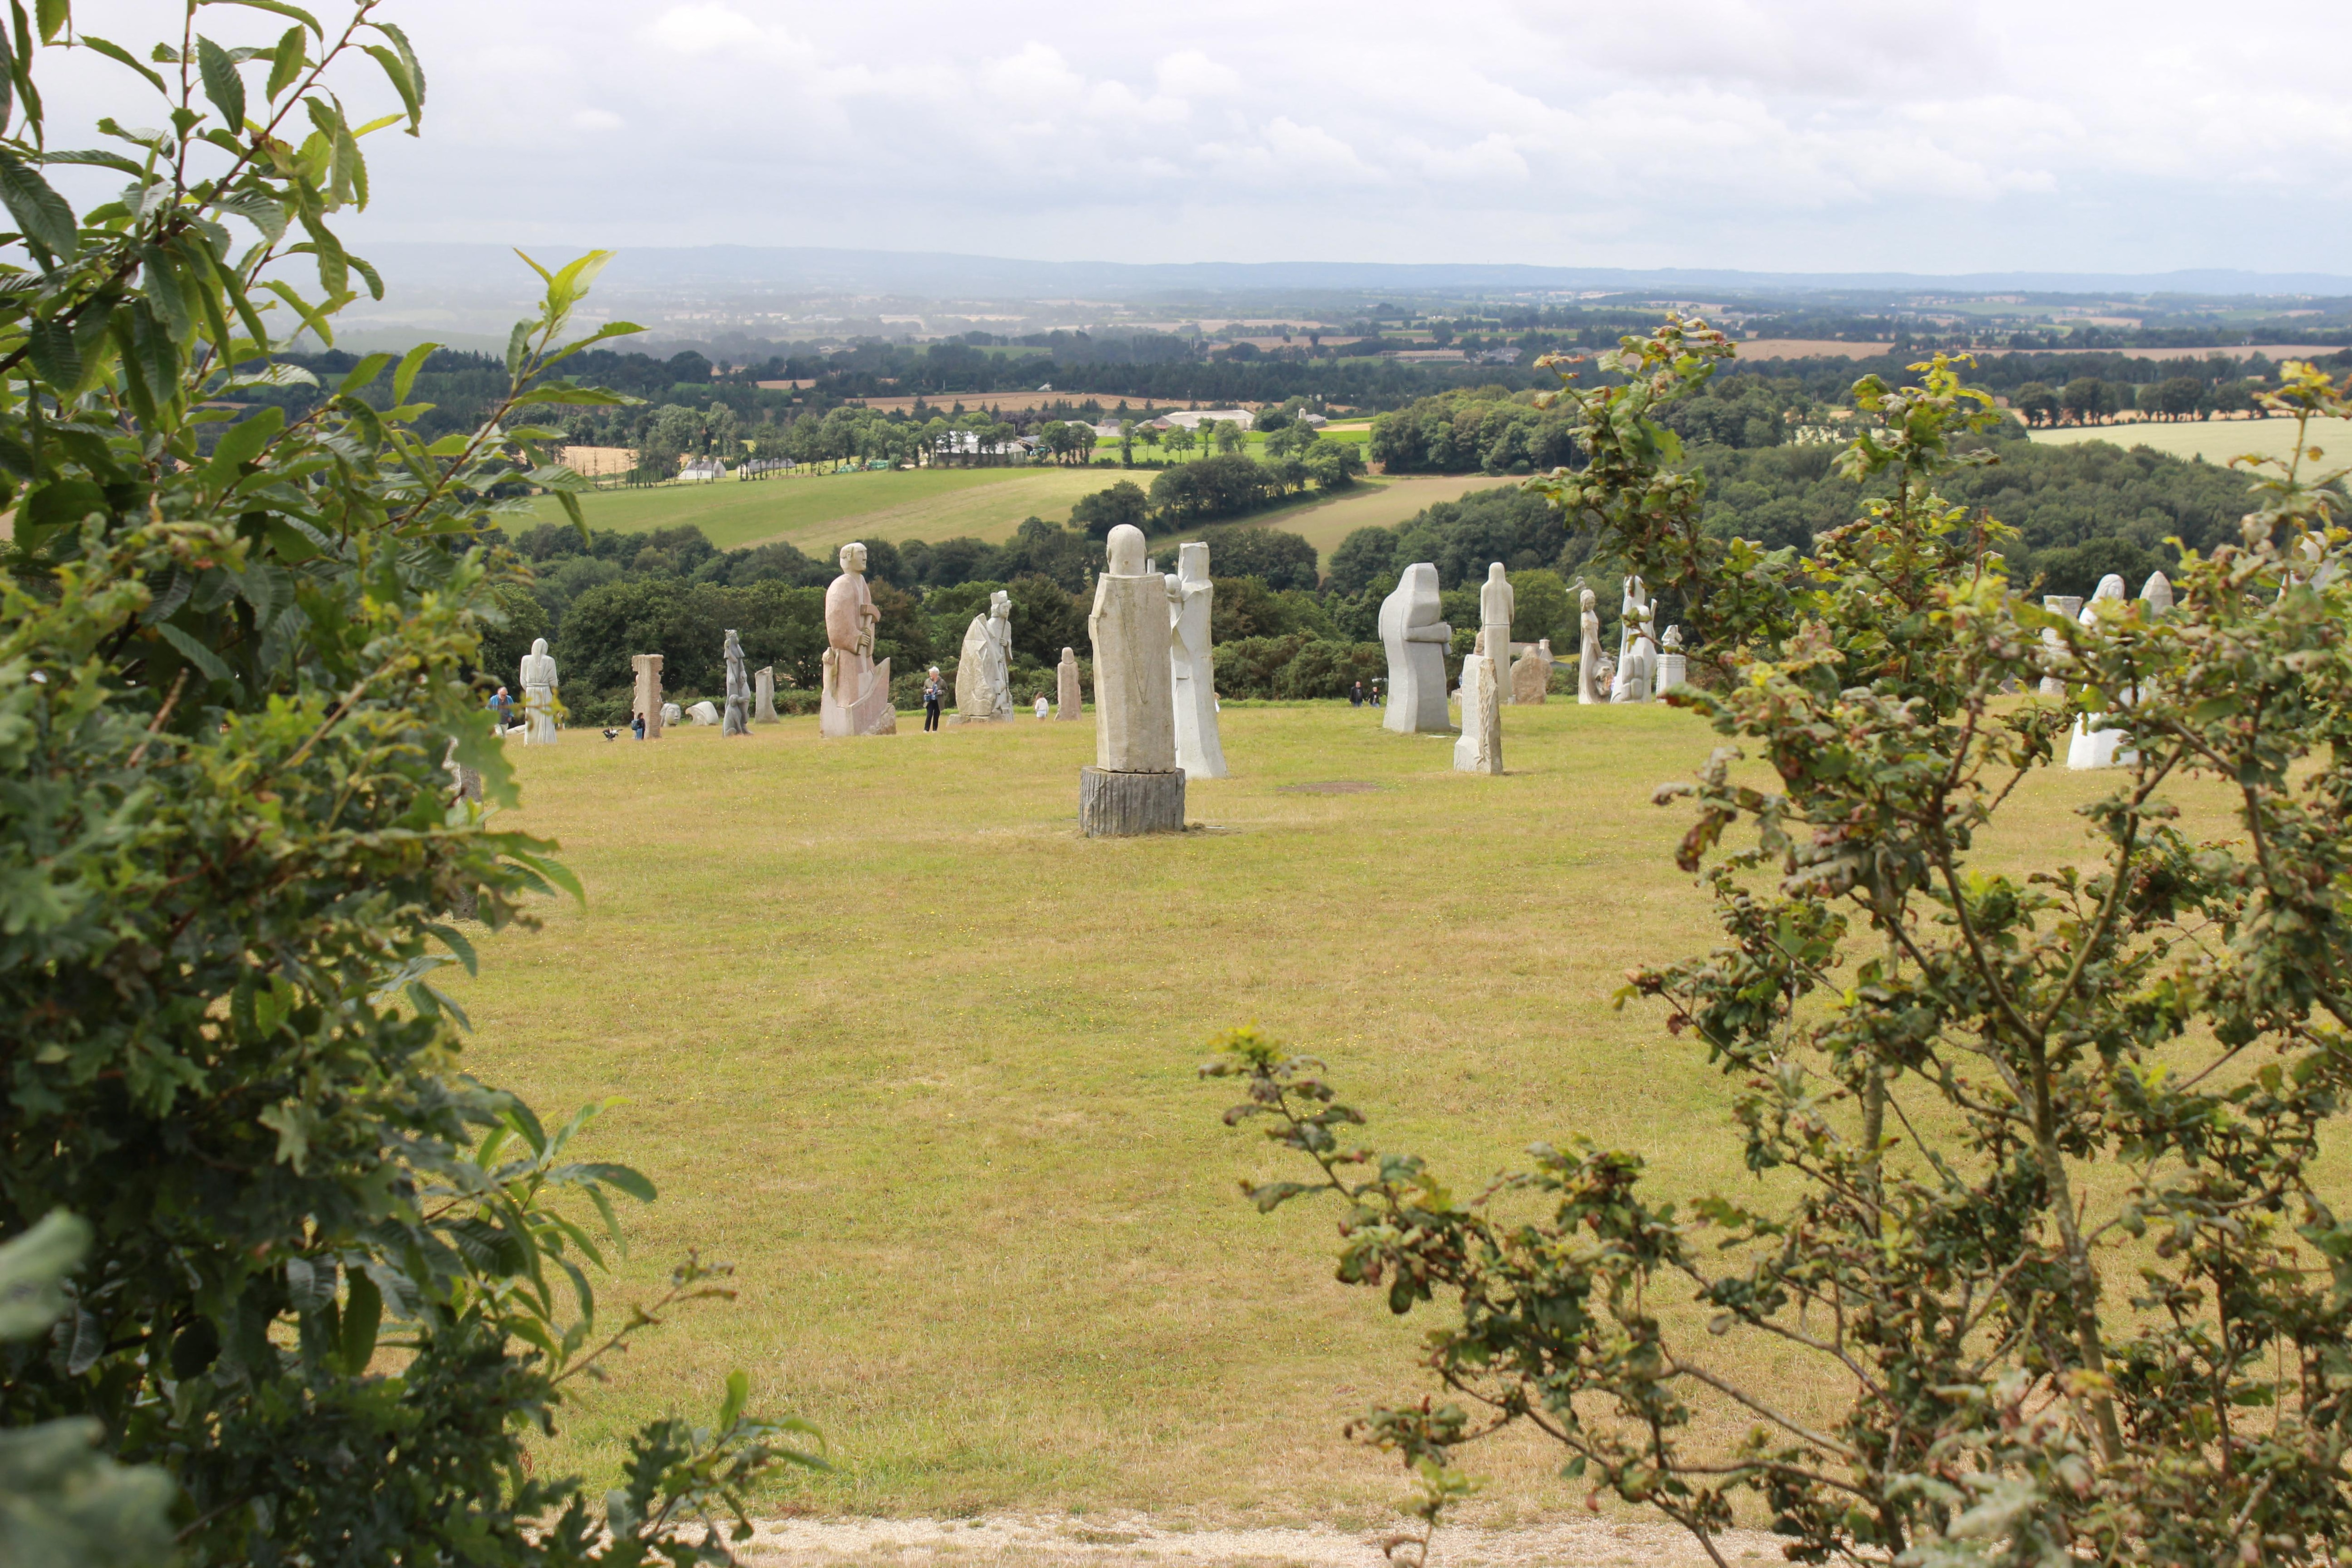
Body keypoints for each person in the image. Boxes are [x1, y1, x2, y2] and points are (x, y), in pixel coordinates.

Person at [922, 666, 944, 732]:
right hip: (930, 701)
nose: (930, 674)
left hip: (938, 701)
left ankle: (935, 730)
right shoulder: (927, 681)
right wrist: (928, 690)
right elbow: (924, 690)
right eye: (930, 673)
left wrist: (941, 692)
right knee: (929, 715)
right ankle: (926, 730)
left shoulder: (942, 681)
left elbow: (946, 690)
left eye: (932, 673)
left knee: (937, 715)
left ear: (936, 674)